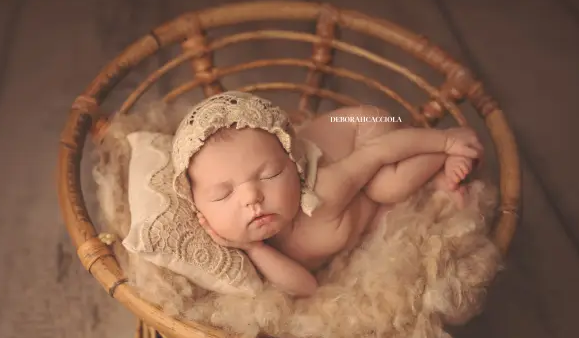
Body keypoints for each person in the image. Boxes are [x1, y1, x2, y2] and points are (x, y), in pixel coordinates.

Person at [170, 91, 483, 298]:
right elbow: (307, 287)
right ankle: (434, 183)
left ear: (295, 166)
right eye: (223, 194)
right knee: (383, 224)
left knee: (386, 187)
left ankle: (445, 148)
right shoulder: (241, 250)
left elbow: (378, 153)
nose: (252, 197)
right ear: (201, 213)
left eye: (270, 175)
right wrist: (252, 249)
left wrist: (442, 142)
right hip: (353, 207)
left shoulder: (323, 191)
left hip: (363, 130)